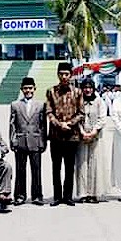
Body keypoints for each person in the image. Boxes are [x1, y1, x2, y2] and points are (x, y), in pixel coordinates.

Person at [46, 62, 84, 206]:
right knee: (56, 167)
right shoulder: (51, 91)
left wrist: (69, 123)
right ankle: (57, 196)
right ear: (57, 75)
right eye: (61, 74)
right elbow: (49, 112)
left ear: (71, 75)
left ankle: (68, 196)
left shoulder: (77, 92)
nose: (64, 77)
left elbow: (81, 113)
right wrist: (59, 124)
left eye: (66, 74)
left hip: (72, 136)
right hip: (56, 135)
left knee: (69, 167)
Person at [9, 77, 46, 206]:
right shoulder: (15, 105)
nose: (28, 90)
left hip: (35, 141)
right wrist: (12, 141)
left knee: (36, 170)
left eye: (30, 88)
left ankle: (37, 196)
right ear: (21, 89)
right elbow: (12, 125)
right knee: (20, 170)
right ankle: (20, 195)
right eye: (25, 88)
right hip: (20, 141)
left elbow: (43, 125)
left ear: (34, 89)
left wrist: (43, 142)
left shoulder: (41, 105)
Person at [76, 78, 109, 203]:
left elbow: (102, 118)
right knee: (82, 164)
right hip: (82, 137)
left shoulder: (99, 101)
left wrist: (94, 131)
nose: (88, 90)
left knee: (95, 164)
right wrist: (83, 132)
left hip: (96, 137)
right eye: (85, 87)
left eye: (90, 87)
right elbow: (76, 117)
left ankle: (93, 193)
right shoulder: (78, 101)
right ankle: (83, 193)